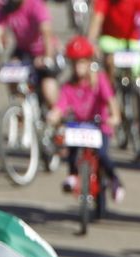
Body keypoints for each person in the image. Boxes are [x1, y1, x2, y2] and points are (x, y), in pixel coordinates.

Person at [48, 35, 124, 202]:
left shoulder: (99, 80)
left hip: (99, 126)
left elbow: (111, 100)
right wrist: (53, 115)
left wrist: (115, 116)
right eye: (75, 62)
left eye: (82, 62)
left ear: (89, 62)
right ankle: (73, 174)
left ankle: (114, 180)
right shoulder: (69, 86)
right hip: (79, 127)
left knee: (102, 154)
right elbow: (60, 105)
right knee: (72, 149)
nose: (78, 67)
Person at [0, 0, 60, 111]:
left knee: (48, 89)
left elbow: (46, 31)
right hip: (24, 51)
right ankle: (18, 107)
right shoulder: (6, 8)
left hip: (43, 51)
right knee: (11, 72)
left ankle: (55, 117)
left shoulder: (35, 5)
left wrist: (47, 57)